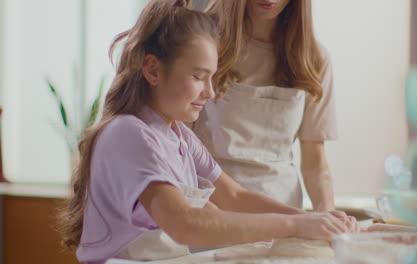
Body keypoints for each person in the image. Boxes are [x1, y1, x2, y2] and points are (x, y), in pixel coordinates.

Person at [57, 0, 359, 263]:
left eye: (212, 78)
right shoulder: (129, 134)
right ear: (152, 70)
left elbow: (234, 195)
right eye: (199, 77)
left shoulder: (179, 137)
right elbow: (184, 224)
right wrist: (295, 226)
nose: (211, 93)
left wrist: (314, 219)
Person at [192, 0, 337, 210]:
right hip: (212, 208)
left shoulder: (314, 58)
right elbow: (178, 139)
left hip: (282, 213)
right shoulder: (203, 42)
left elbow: (315, 161)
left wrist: (328, 216)